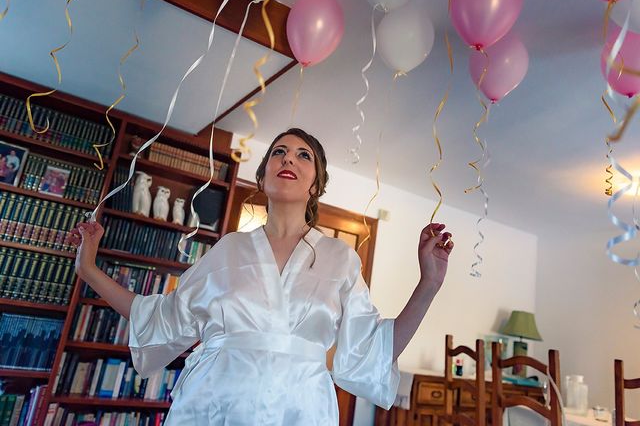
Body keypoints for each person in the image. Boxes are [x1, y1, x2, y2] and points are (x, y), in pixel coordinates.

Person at [70, 128, 454, 425]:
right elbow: (155, 319)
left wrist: (429, 285)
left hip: (301, 411)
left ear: (316, 184)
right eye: (279, 152)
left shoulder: (340, 258)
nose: (289, 158)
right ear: (263, 175)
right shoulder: (227, 250)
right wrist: (87, 269)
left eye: (304, 155)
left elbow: (373, 352)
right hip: (211, 406)